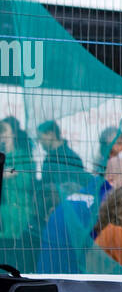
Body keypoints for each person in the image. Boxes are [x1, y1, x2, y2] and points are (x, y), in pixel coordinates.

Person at [0, 115, 38, 268]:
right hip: (3, 222)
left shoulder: (24, 157)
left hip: (19, 221)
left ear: (14, 133)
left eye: (5, 131)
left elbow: (27, 183)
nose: (2, 135)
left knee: (16, 262)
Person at [35, 120, 84, 219]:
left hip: (66, 211)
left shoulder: (70, 158)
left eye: (41, 138)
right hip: (49, 211)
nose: (40, 142)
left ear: (51, 134)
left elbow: (74, 186)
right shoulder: (49, 158)